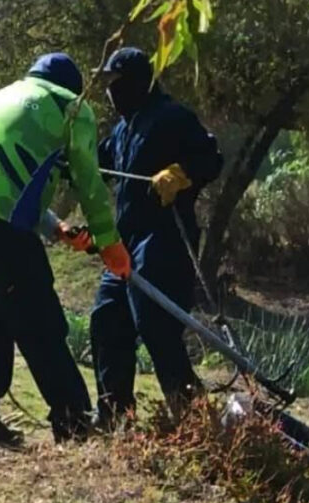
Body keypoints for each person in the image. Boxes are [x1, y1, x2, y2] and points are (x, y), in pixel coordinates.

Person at [0, 53, 131, 444]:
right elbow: (89, 183)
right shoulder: (72, 107)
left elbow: (4, 178)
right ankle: (75, 426)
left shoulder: (3, 96)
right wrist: (111, 245)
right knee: (42, 324)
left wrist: (57, 228)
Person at [90, 47, 224, 425]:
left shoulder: (172, 116)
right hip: (126, 242)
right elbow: (93, 164)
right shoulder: (122, 130)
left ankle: (195, 422)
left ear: (137, 83)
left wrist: (181, 173)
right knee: (107, 319)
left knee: (155, 323)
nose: (110, 92)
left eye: (115, 83)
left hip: (164, 239)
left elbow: (211, 158)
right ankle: (115, 417)